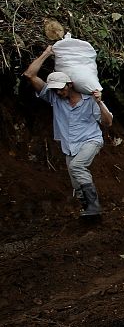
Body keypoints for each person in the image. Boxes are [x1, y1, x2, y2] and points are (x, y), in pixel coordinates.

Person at [24, 45, 113, 217]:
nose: (59, 92)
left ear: (70, 85)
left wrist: (99, 102)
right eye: (55, 90)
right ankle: (88, 210)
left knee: (77, 166)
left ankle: (94, 207)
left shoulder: (89, 100)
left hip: (90, 140)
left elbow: (107, 122)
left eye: (62, 88)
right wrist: (46, 53)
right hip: (70, 145)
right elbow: (30, 75)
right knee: (76, 182)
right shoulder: (54, 98)